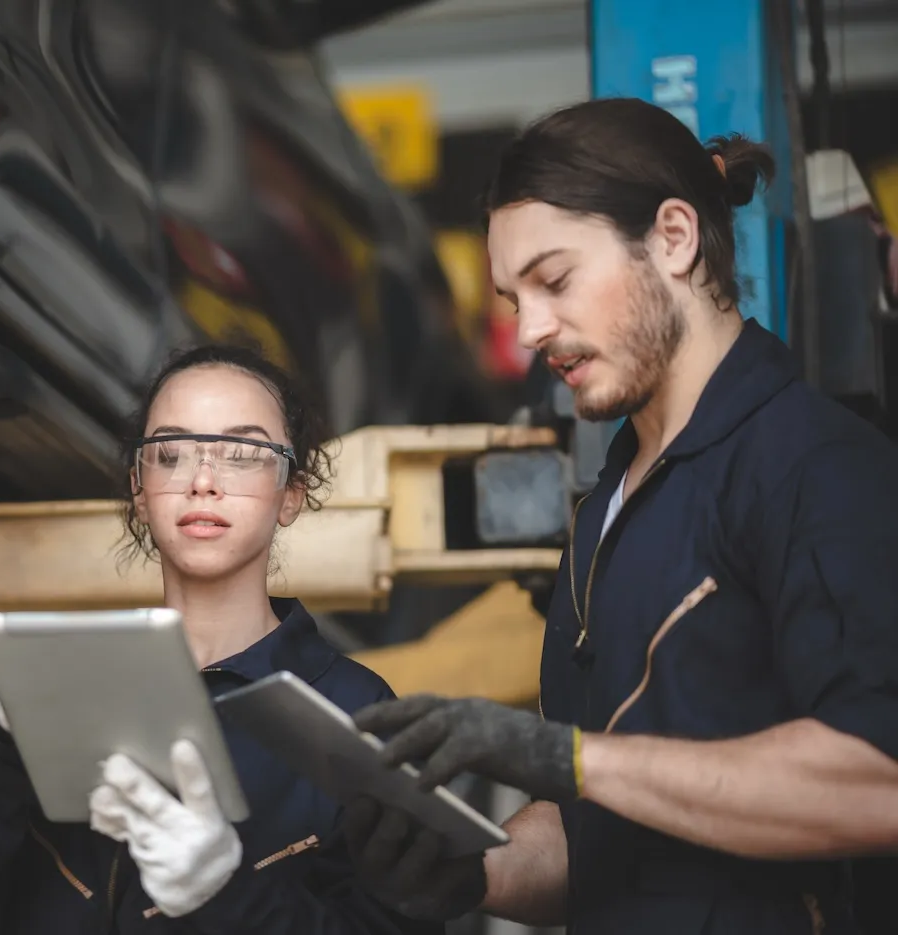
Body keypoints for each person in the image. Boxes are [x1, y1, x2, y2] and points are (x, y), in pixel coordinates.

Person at [341, 97, 898, 935]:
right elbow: (602, 837)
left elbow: (878, 780)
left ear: (674, 238)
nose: (529, 328)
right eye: (511, 296)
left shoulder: (816, 468)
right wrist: (470, 870)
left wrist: (570, 758)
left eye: (554, 280)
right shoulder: (607, 507)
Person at [0, 343, 431, 935]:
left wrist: (225, 895)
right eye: (171, 453)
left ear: (291, 492)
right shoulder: (64, 677)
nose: (202, 481)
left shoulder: (355, 712)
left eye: (242, 452)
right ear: (139, 486)